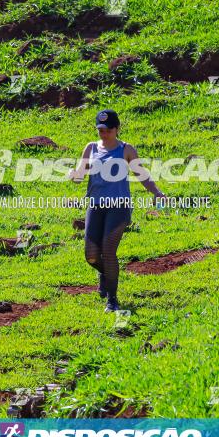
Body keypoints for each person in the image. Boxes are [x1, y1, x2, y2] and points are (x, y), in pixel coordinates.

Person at [70, 109, 166, 312]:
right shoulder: (91, 148)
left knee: (108, 249)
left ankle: (112, 300)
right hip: (95, 205)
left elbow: (142, 174)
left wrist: (157, 192)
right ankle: (106, 274)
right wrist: (74, 175)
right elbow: (80, 174)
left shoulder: (126, 149)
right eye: (100, 130)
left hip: (119, 207)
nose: (103, 134)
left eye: (107, 130)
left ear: (117, 129)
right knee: (91, 255)